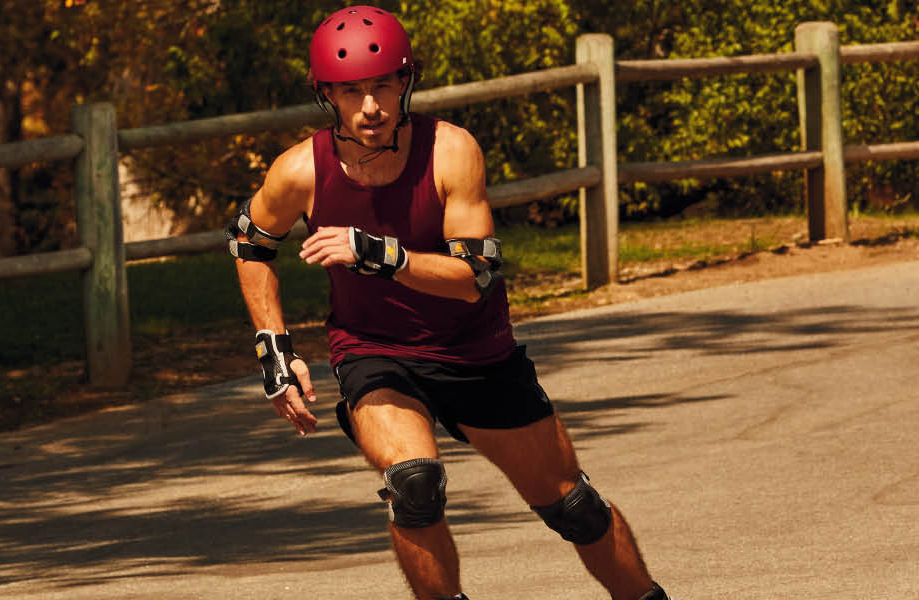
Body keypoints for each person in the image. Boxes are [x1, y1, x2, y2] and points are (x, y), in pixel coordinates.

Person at [227, 6, 669, 600]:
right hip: (375, 352)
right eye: (352, 92)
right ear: (327, 95)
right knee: (414, 486)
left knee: (575, 507)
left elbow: (474, 277)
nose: (371, 107)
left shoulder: (451, 152)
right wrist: (274, 351)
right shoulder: (301, 170)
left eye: (383, 86)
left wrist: (381, 254)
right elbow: (249, 242)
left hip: (475, 352)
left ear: (405, 82)